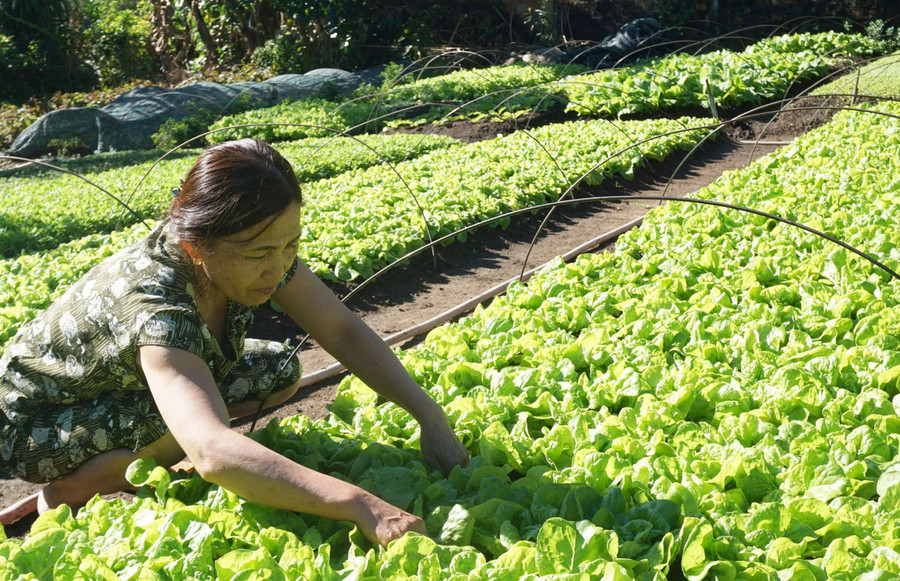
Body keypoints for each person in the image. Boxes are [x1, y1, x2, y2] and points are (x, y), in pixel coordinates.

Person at [0, 138, 469, 546]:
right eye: (260, 253)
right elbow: (210, 448)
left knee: (279, 370)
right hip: (33, 422)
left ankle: (141, 454)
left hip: (112, 384)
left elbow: (341, 328)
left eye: (290, 246)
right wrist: (360, 505)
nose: (278, 267)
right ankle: (70, 489)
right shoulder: (156, 304)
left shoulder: (257, 251)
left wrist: (429, 415)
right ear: (197, 246)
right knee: (181, 429)